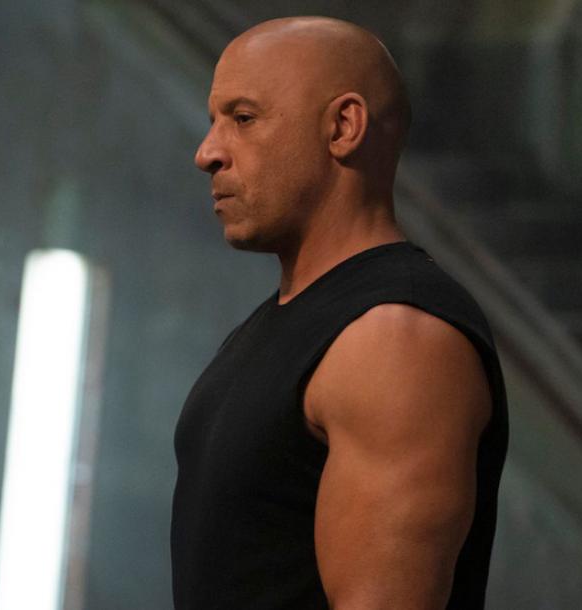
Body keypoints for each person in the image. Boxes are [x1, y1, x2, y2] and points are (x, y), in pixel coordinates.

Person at [171, 17, 508, 610]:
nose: (207, 153)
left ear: (344, 127)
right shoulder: (298, 321)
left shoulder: (395, 337)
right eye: (213, 121)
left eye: (243, 119)